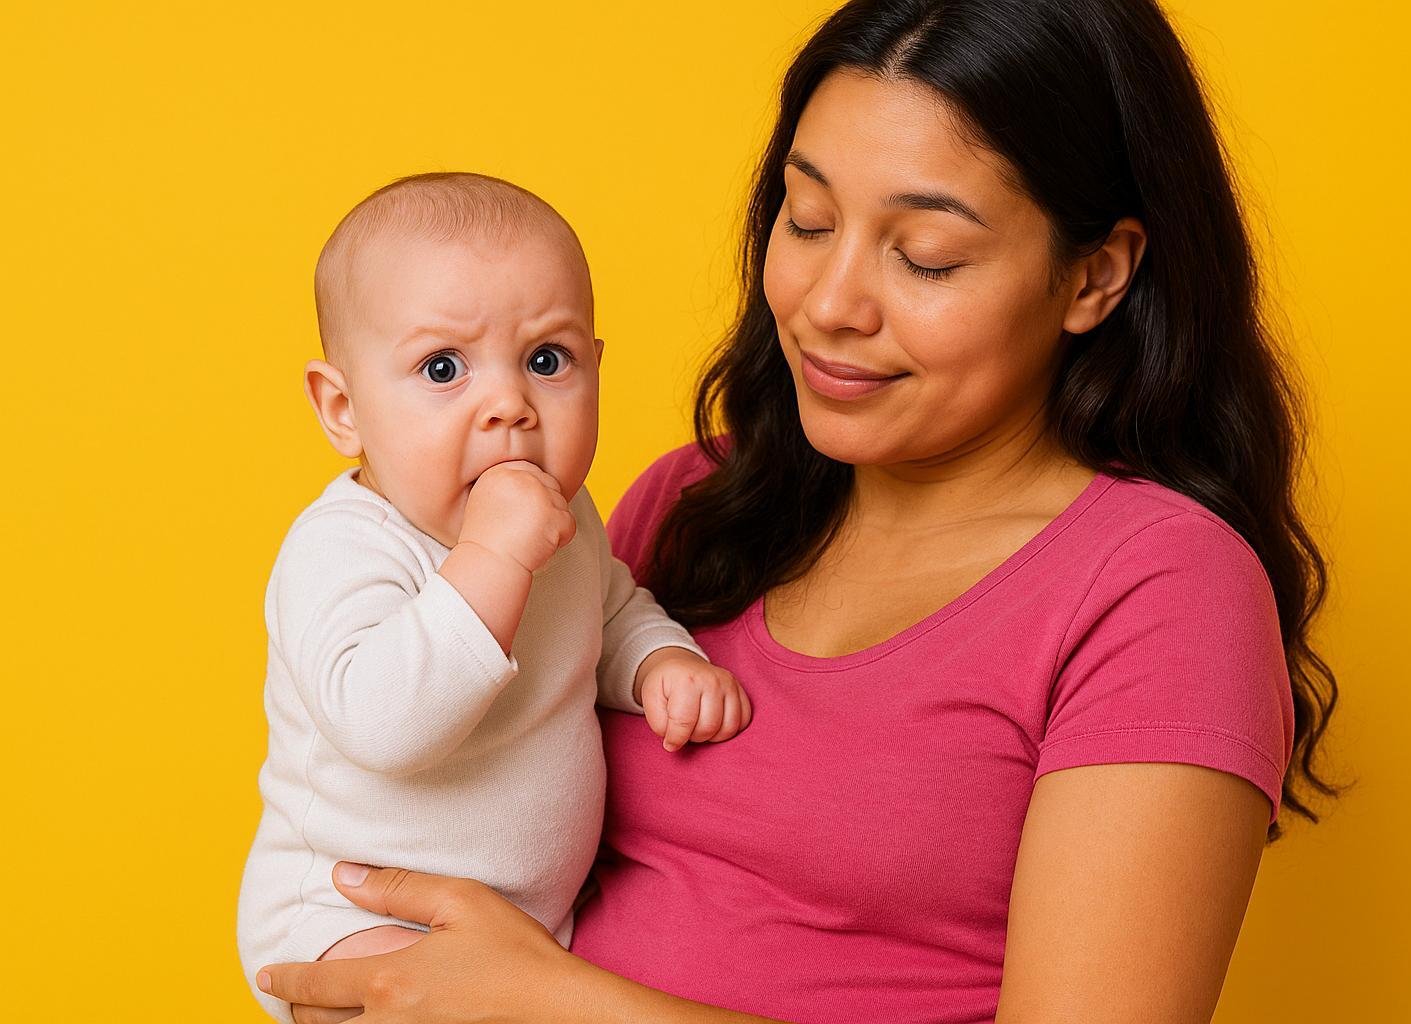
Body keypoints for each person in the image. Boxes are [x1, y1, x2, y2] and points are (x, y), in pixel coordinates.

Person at [256, 1, 1338, 1020]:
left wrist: (551, 1001)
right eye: (807, 220)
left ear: (1095, 276)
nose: (828, 305)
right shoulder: (690, 501)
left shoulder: (1161, 588)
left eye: (926, 256)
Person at [237, 173, 752, 1023]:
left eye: (548, 361)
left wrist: (659, 659)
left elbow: (610, 608)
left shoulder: (568, 517)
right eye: (443, 369)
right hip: (354, 915)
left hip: (528, 927)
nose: (508, 406)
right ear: (343, 409)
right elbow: (382, 724)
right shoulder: (341, 548)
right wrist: (489, 559)